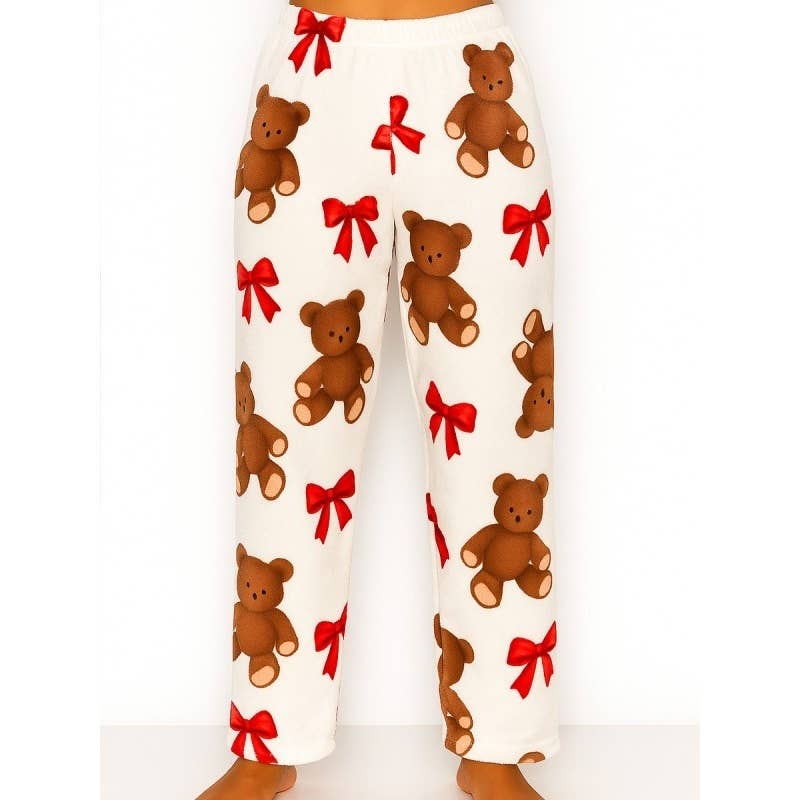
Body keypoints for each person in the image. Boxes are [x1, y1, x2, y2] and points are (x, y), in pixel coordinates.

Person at [198, 1, 557, 797]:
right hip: (313, 76)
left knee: (500, 431)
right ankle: (268, 738)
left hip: (467, 52)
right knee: (283, 433)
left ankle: (495, 743)